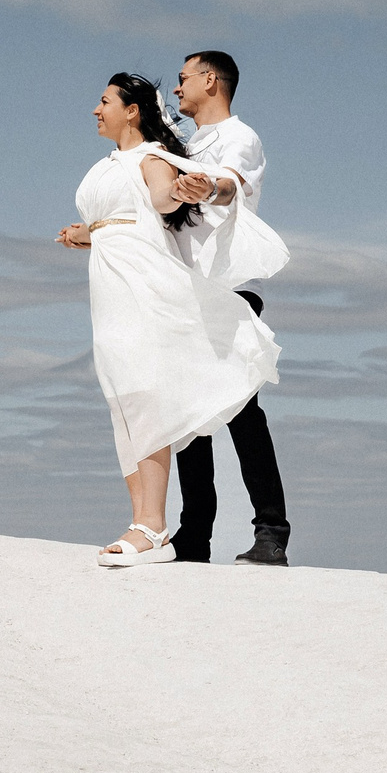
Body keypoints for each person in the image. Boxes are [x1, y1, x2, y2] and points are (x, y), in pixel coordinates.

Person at [58, 73, 280, 568]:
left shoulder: (163, 154)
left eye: (103, 101)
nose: (95, 110)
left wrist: (186, 190)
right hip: (114, 282)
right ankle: (175, 531)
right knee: (127, 395)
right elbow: (128, 218)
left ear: (132, 110)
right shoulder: (118, 162)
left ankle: (252, 532)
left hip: (174, 284)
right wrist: (87, 232)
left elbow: (164, 199)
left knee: (186, 402)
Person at [166, 50, 293, 566]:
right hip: (184, 291)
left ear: (210, 80)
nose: (177, 90)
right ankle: (194, 534)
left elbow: (229, 184)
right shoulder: (187, 142)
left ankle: (271, 533)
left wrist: (207, 184)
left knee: (241, 410)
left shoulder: (239, 137)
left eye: (182, 79)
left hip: (228, 289)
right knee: (188, 415)